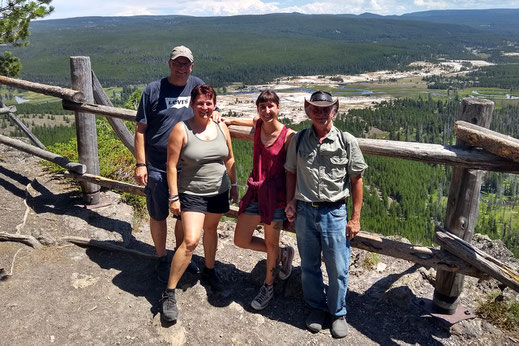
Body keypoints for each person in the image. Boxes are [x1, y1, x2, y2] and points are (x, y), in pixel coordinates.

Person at [284, 91, 367, 338]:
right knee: (309, 265)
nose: (321, 113)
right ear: (308, 110)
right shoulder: (298, 140)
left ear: (335, 109)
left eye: (326, 108)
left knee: (338, 267)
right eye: (316, 108)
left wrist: (355, 217)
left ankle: (338, 312)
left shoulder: (346, 140)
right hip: (305, 211)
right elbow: (291, 172)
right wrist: (291, 200)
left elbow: (356, 179)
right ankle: (316, 308)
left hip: (335, 212)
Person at [134, 45, 212, 282]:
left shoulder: (196, 86)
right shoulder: (153, 90)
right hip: (157, 165)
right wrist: (141, 163)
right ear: (169, 64)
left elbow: (208, 108)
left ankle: (180, 257)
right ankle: (160, 258)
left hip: (186, 168)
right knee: (158, 214)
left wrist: (216, 114)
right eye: (177, 63)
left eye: (185, 63)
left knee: (182, 216)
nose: (181, 68)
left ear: (192, 66)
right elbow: (140, 130)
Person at [161, 84, 238, 322]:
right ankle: (169, 291)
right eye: (200, 103)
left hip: (218, 190)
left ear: (214, 104)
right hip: (191, 192)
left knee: (212, 229)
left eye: (209, 102)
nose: (205, 107)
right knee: (191, 240)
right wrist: (174, 197)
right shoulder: (181, 129)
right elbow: (171, 165)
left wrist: (234, 185)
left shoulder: (221, 125)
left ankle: (209, 270)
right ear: (192, 104)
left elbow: (229, 158)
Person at [227, 89, 295, 311]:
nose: (267, 111)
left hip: (275, 198)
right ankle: (282, 254)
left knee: (271, 243)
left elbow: (294, 171)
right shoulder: (257, 125)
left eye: (271, 106)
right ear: (258, 109)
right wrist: (228, 119)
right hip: (255, 193)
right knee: (240, 239)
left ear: (278, 107)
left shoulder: (288, 136)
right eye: (262, 107)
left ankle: (268, 286)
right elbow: (250, 120)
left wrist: (292, 200)